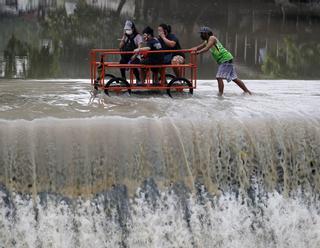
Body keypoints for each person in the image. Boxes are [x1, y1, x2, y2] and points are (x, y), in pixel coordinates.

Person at [192, 26, 251, 96]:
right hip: (226, 59)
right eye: (201, 34)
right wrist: (188, 50)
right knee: (234, 78)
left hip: (225, 59)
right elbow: (197, 47)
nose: (201, 35)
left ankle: (220, 94)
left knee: (219, 77)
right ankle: (247, 92)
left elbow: (207, 48)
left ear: (207, 34)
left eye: (202, 34)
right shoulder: (206, 41)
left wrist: (198, 52)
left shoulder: (212, 38)